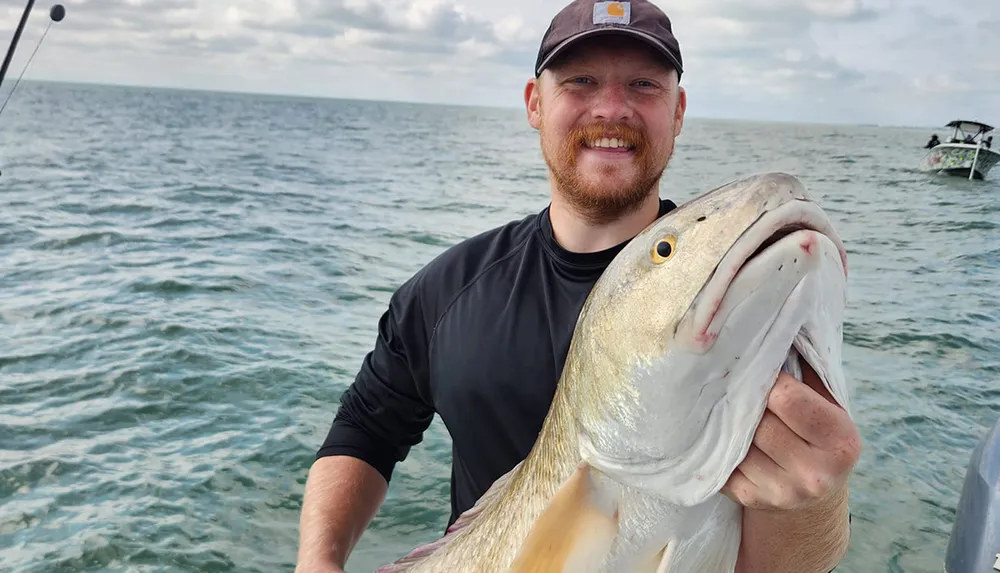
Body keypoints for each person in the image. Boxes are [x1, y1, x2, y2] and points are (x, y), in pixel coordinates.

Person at [295, 1, 861, 571]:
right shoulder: (446, 290)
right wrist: (319, 559)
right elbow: (366, 428)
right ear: (535, 104)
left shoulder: (753, 296)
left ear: (678, 110)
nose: (612, 108)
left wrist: (809, 504)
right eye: (580, 81)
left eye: (643, 85)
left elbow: (794, 554)